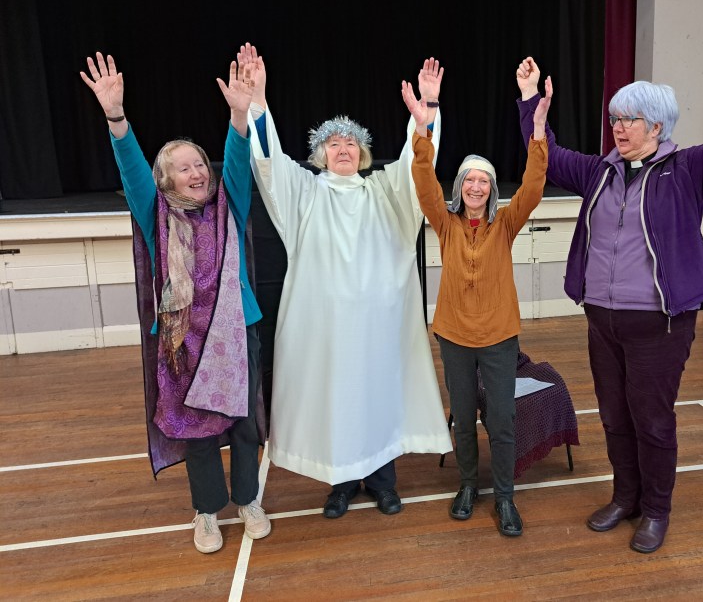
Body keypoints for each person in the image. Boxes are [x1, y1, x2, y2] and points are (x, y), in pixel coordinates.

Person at [515, 12, 703, 553]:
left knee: (652, 420)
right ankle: (626, 497)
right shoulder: (599, 172)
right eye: (615, 118)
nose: (618, 127)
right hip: (603, 320)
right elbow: (542, 156)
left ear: (658, 127)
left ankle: (657, 510)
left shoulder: (689, 170)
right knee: (615, 417)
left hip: (659, 326)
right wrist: (530, 102)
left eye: (630, 119)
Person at [243, 47, 452, 519]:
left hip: (379, 328)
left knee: (379, 397)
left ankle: (383, 483)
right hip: (327, 332)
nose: (343, 149)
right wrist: (258, 102)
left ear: (362, 154)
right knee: (337, 401)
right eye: (334, 144)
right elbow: (270, 165)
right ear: (321, 155)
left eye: (351, 144)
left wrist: (427, 113)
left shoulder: (385, 190)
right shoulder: (304, 193)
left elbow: (418, 167)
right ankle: (339, 485)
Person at [79, 53, 271, 554]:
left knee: (244, 423)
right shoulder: (155, 213)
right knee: (198, 431)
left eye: (199, 164)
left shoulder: (230, 204)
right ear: (166, 181)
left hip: (236, 330)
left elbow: (237, 161)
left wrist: (239, 115)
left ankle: (248, 499)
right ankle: (207, 512)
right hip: (182, 338)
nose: (197, 172)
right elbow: (132, 171)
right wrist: (116, 117)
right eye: (183, 168)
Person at [402, 74, 550, 536]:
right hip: (454, 336)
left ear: (492, 189)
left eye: (484, 180)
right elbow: (423, 181)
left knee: (501, 421)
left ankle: (505, 497)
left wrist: (538, 132)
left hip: (499, 337)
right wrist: (423, 127)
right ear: (460, 186)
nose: (477, 186)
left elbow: (534, 187)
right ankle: (468, 486)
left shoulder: (505, 225)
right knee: (463, 420)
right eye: (470, 179)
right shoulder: (445, 223)